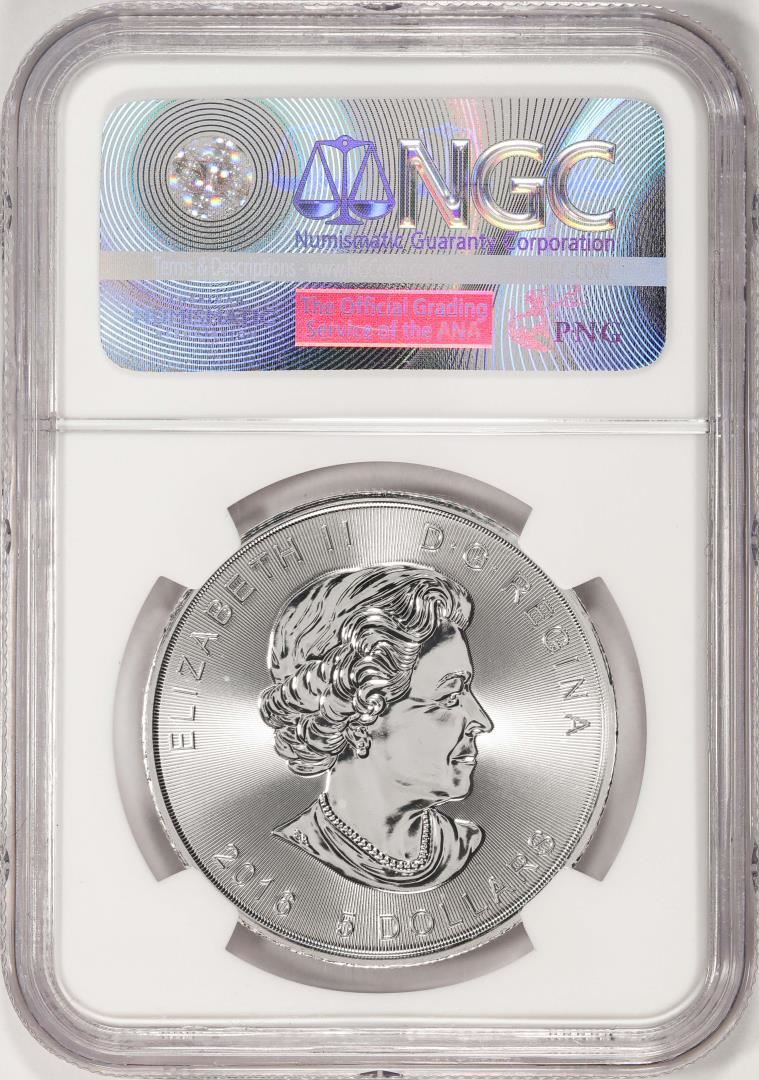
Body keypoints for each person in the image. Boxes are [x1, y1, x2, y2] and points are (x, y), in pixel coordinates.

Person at [259, 564, 493, 890]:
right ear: (358, 722)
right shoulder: (290, 858)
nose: (482, 722)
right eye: (450, 696)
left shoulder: (465, 844)